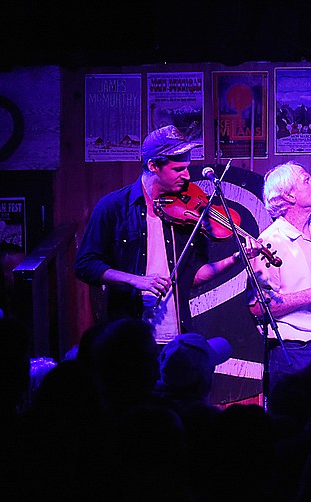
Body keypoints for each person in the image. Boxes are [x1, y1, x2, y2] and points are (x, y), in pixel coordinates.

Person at [75, 125, 254, 345]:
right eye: (178, 169)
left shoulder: (187, 212)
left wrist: (237, 258)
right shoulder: (113, 207)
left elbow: (193, 277)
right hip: (128, 334)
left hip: (177, 333)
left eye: (187, 167)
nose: (187, 176)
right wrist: (136, 281)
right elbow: (85, 265)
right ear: (153, 166)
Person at [251, 161, 311, 394]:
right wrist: (310, 295)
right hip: (296, 352)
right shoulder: (270, 242)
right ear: (289, 196)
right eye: (307, 181)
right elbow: (258, 308)